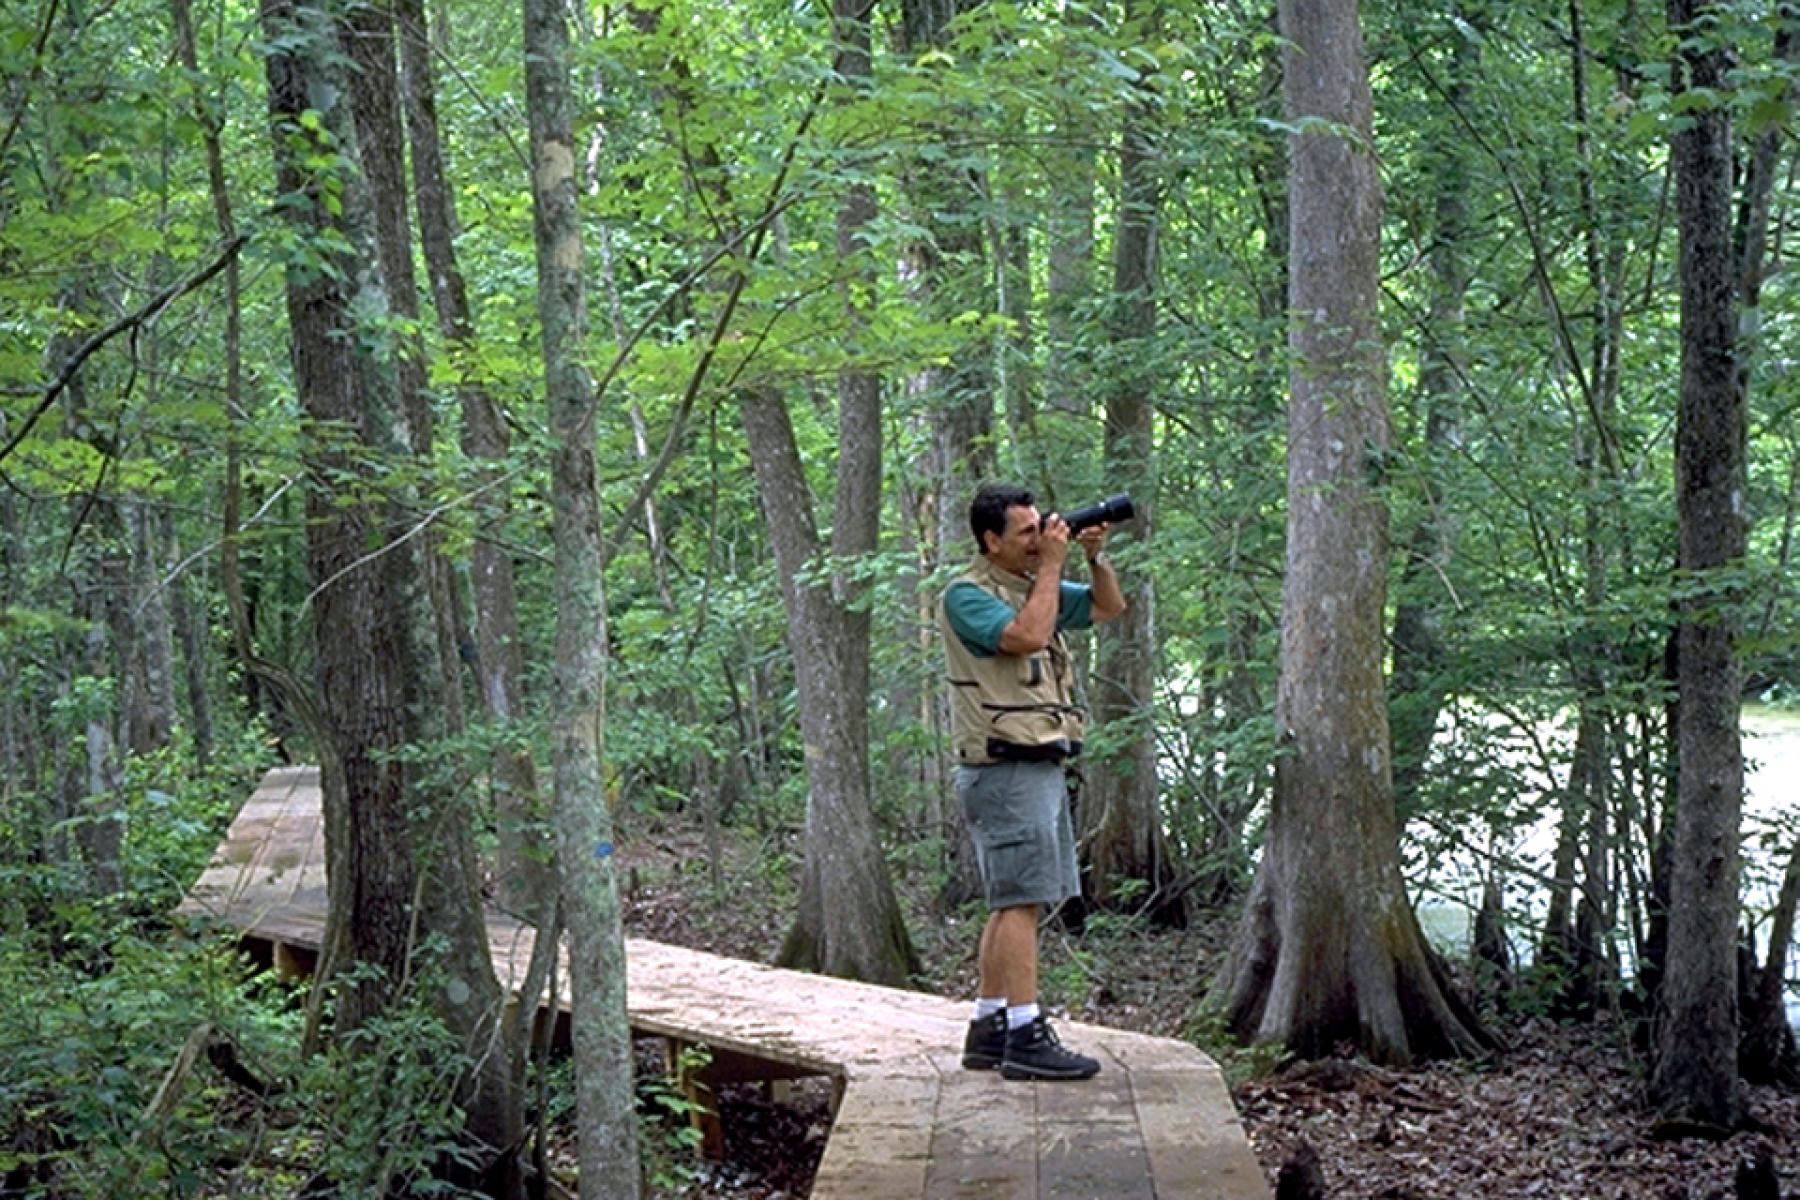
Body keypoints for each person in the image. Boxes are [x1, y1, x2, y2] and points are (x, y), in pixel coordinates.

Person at [938, 482, 1126, 1081]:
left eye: (1038, 528)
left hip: (1031, 761)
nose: (1036, 540)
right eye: (1024, 533)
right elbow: (1027, 637)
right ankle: (1026, 1033)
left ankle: (989, 1025)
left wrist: (1094, 559)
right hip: (1003, 764)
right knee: (1021, 903)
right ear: (989, 541)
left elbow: (1106, 608)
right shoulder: (966, 595)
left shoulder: (1028, 587)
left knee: (1010, 902)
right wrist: (1052, 566)